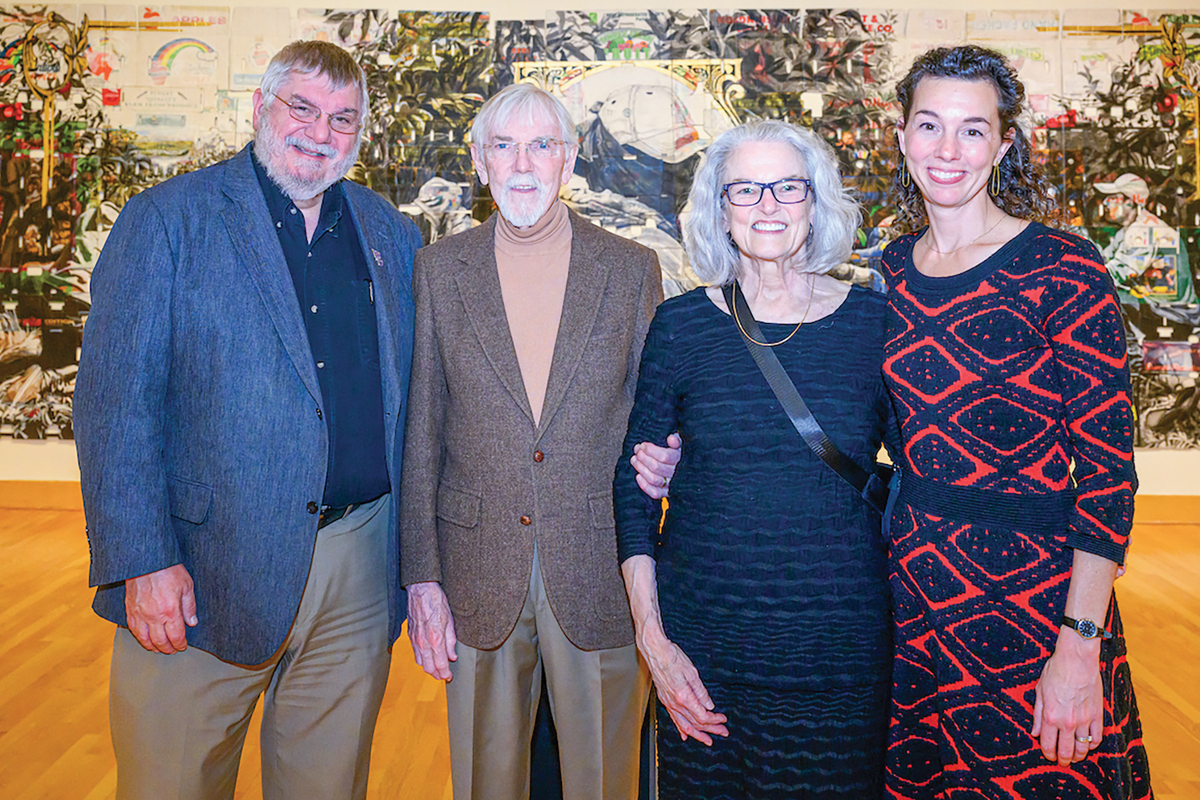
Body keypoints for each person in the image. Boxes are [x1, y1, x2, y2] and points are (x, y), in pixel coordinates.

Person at [74, 41, 421, 799]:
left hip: (357, 569)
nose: (320, 132)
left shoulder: (386, 231)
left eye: (343, 118)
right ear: (262, 106)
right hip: (200, 574)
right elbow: (113, 405)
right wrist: (141, 560)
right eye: (302, 107)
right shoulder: (169, 221)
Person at [883, 44, 1152, 797]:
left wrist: (1078, 645)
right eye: (929, 125)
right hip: (917, 596)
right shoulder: (888, 274)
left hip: (1034, 602)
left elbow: (1108, 478)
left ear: (1005, 144)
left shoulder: (1063, 268)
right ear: (900, 135)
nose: (946, 149)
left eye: (973, 130)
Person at [615, 119, 894, 798]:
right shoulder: (680, 327)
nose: (767, 206)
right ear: (718, 209)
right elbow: (631, 494)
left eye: (786, 187)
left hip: (839, 652)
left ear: (816, 200)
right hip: (706, 650)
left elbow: (919, 470)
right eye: (745, 190)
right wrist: (655, 644)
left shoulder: (873, 324)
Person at [399, 82, 660, 800]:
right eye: (504, 146)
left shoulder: (631, 269)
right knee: (488, 780)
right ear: (479, 162)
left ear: (569, 158)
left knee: (606, 781)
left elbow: (655, 413)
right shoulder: (440, 270)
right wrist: (421, 575)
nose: (523, 163)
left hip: (598, 565)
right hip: (476, 569)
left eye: (542, 144)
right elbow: (421, 427)